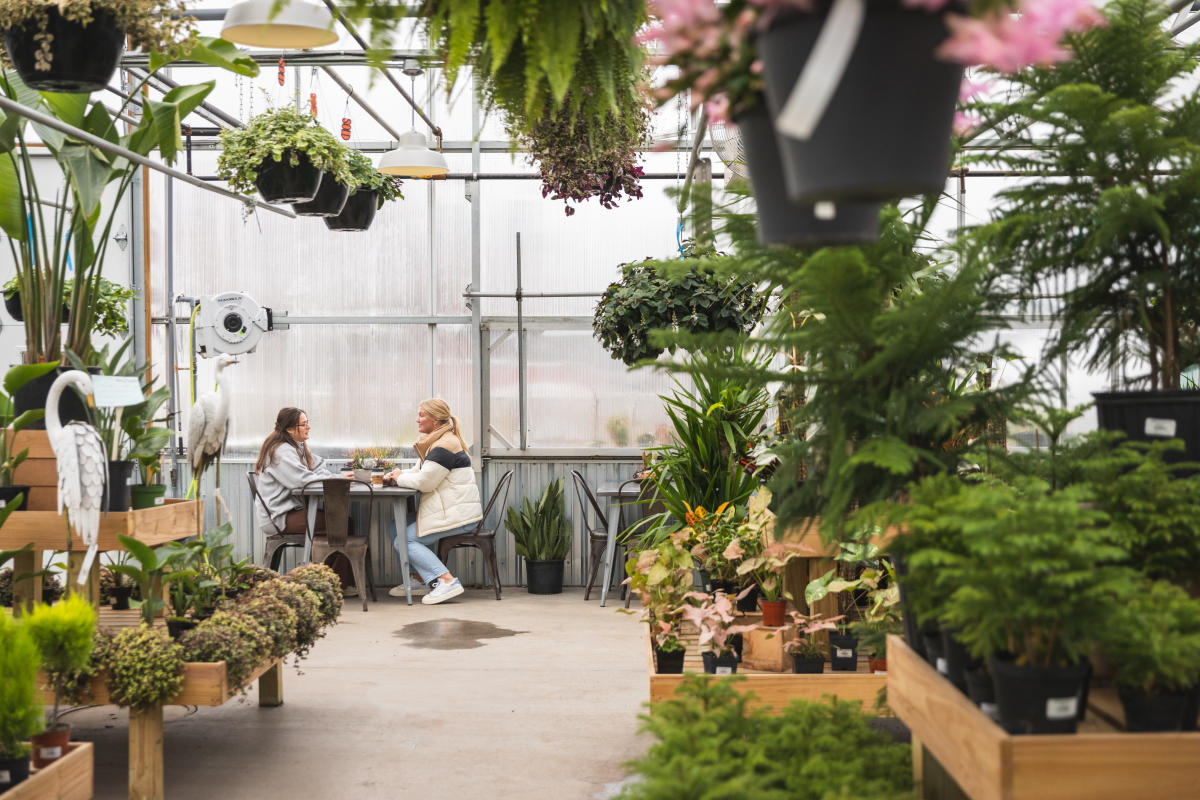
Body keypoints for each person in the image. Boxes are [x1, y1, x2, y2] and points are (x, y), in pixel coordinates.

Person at [382, 398, 482, 605]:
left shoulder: (444, 446)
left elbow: (425, 482)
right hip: (449, 510)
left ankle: (446, 580)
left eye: (421, 415)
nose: (417, 420)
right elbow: (420, 472)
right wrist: (398, 474)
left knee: (405, 539)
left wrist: (399, 478)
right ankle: (419, 579)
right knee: (395, 528)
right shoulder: (438, 442)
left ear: (435, 420)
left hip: (460, 516)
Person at [254, 407, 358, 595]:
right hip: (279, 517)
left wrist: (336, 476)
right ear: (290, 429)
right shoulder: (281, 452)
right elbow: (301, 480)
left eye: (308, 422)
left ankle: (330, 581)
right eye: (304, 424)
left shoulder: (296, 446)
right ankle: (337, 584)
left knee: (341, 523)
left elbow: (317, 466)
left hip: (289, 511)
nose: (308, 427)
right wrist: (338, 479)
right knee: (340, 523)